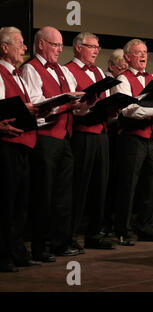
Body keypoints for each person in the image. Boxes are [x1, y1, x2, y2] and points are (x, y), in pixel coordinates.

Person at [22, 26, 83, 260]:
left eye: (60, 45)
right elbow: (36, 105)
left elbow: (71, 100)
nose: (59, 49)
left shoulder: (63, 71)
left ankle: (60, 241)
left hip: (65, 137)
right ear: (41, 45)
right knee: (43, 195)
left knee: (63, 195)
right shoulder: (31, 69)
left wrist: (83, 103)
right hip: (45, 139)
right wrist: (67, 104)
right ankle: (40, 246)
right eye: (55, 44)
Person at [112, 39, 153, 246]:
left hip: (151, 139)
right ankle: (122, 230)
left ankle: (145, 228)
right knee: (128, 186)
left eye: (145, 52)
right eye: (138, 53)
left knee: (150, 185)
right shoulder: (122, 79)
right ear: (127, 57)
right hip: (131, 138)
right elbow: (127, 109)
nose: (143, 56)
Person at [65, 32, 115, 252]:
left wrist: (113, 109)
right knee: (79, 187)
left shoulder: (98, 72)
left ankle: (94, 234)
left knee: (100, 187)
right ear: (77, 47)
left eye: (98, 47)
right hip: (82, 133)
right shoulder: (68, 70)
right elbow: (70, 105)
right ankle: (69, 235)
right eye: (91, 46)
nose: (96, 51)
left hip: (101, 134)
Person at [0, 26, 38, 272]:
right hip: (6, 147)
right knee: (6, 203)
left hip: (22, 145)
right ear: (4, 47)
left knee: (20, 204)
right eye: (20, 43)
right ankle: (3, 255)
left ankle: (16, 250)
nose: (25, 47)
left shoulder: (18, 74)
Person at [101, 48, 128, 238]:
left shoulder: (125, 80)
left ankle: (114, 221)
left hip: (120, 132)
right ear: (111, 66)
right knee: (106, 179)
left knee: (118, 178)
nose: (124, 71)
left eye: (127, 67)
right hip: (106, 132)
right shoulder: (105, 79)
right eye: (121, 67)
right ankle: (104, 222)